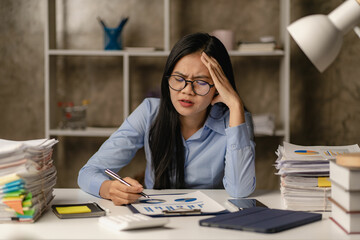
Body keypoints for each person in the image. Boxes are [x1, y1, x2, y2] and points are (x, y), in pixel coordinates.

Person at [78, 32, 256, 205]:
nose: (187, 90)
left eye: (201, 82)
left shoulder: (236, 119)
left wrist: (235, 104)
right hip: (155, 216)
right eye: (179, 78)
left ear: (218, 87)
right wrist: (109, 188)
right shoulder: (149, 112)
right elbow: (87, 173)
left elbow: (240, 191)